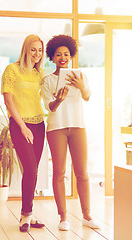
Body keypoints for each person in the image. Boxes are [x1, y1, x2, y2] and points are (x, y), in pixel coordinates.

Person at [41, 35, 100, 231]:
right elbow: (50, 107)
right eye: (58, 54)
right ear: (52, 57)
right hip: (56, 128)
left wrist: (81, 86)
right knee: (59, 173)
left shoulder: (80, 76)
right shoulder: (47, 80)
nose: (62, 57)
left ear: (71, 55)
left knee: (82, 173)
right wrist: (59, 99)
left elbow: (87, 96)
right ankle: (63, 217)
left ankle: (87, 215)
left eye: (66, 54)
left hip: (77, 126)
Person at [1, 34, 45, 232]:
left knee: (32, 171)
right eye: (33, 49)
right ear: (26, 49)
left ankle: (28, 213)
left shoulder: (39, 74)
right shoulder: (12, 70)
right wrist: (23, 126)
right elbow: (9, 101)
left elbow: (48, 96)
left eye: (40, 50)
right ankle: (26, 215)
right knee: (31, 169)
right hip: (20, 125)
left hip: (39, 124)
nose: (37, 53)